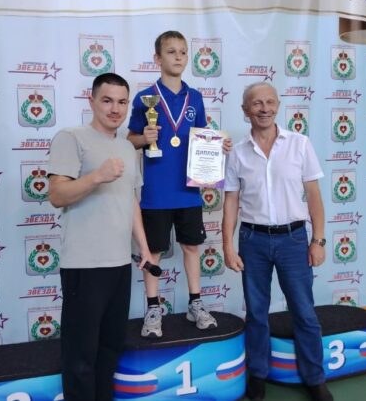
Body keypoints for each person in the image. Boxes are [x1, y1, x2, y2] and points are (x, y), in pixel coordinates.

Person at [222, 82, 333, 401]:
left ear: (278, 106)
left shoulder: (299, 144)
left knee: (304, 312)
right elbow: (231, 201)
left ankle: (315, 378)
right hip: (252, 240)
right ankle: (257, 376)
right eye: (257, 103)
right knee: (257, 313)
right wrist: (227, 245)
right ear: (245, 110)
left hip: (294, 240)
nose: (264, 108)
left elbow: (314, 196)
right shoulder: (237, 153)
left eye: (270, 102)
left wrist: (318, 240)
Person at [48, 72, 154, 401]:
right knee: (80, 356)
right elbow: (57, 195)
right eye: (107, 100)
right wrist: (97, 176)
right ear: (92, 101)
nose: (115, 109)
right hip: (84, 265)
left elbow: (130, 200)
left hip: (119, 264)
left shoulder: (127, 147)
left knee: (109, 350)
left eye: (122, 102)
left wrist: (144, 248)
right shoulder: (71, 137)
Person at [128, 30, 230, 338]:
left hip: (188, 192)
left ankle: (195, 303)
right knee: (153, 252)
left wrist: (218, 146)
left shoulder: (194, 98)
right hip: (156, 193)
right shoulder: (145, 98)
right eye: (171, 52)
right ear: (157, 58)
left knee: (191, 247)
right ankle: (153, 308)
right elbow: (130, 139)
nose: (178, 57)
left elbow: (203, 137)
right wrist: (143, 138)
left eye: (183, 52)